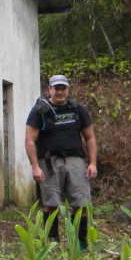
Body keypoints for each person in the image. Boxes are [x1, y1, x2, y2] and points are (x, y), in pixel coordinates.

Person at [25, 74, 97, 249]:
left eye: (63, 88)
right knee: (50, 204)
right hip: (49, 162)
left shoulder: (78, 109)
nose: (60, 92)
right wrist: (35, 167)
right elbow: (29, 140)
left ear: (68, 89)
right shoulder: (39, 111)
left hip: (75, 160)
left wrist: (92, 163)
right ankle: (53, 243)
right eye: (56, 88)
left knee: (81, 204)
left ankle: (80, 243)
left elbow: (90, 138)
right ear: (49, 89)